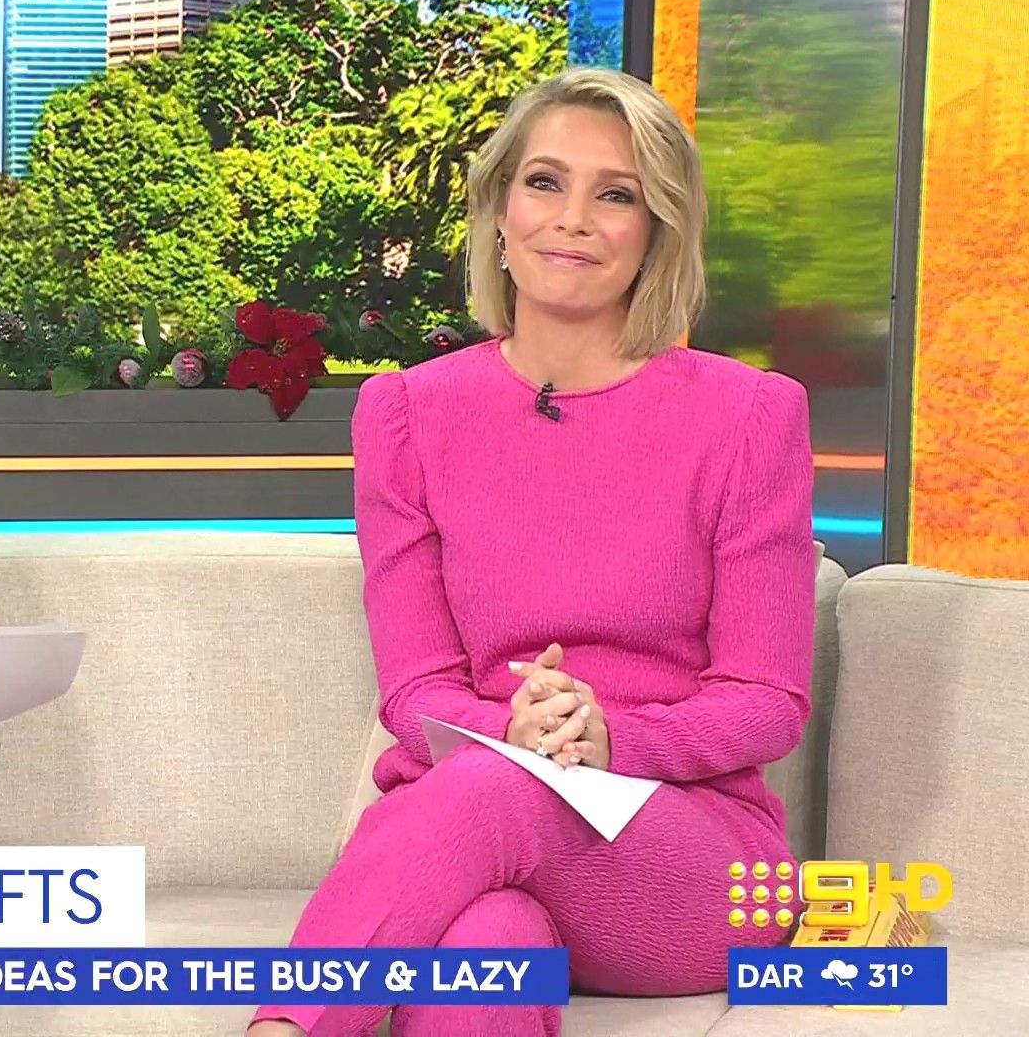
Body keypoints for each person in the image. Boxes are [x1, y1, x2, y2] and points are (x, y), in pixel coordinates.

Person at [248, 68, 816, 1036]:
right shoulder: (406, 415)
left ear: (657, 231)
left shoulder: (750, 416)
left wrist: (605, 740)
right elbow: (416, 691)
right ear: (500, 211)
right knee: (481, 953)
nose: (574, 219)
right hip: (485, 828)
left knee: (496, 787)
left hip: (689, 857)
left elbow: (768, 704)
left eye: (617, 195)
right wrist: (511, 731)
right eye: (545, 182)